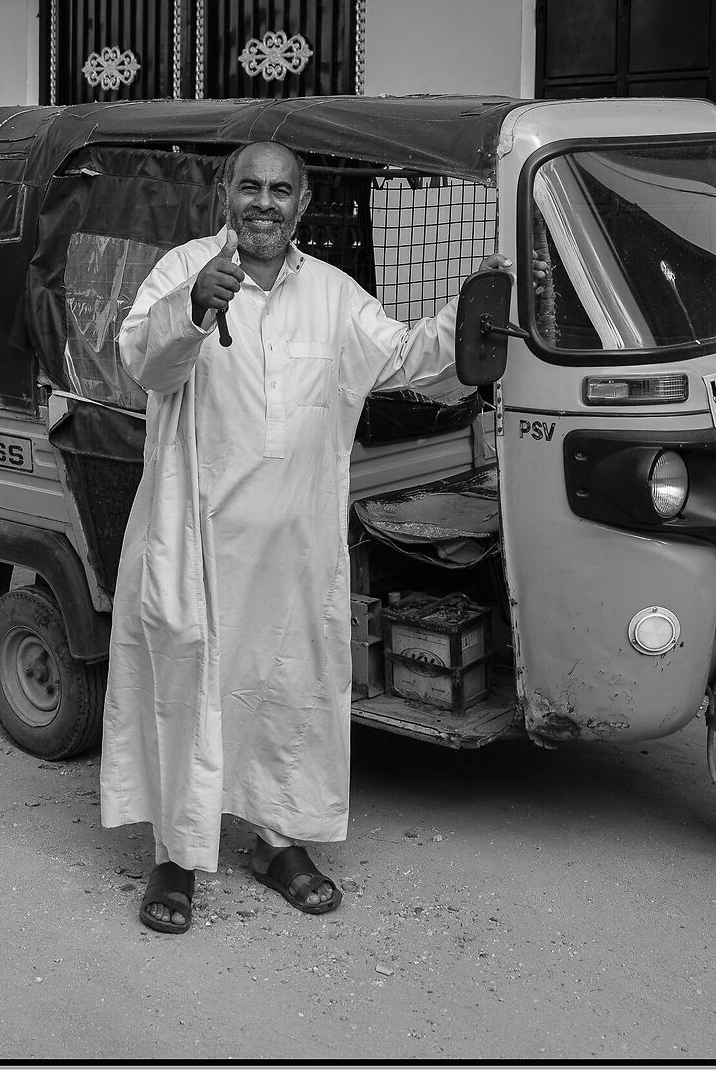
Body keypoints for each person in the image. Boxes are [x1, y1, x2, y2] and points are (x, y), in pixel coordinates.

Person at [100, 140, 491, 935]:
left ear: (303, 204)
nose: (264, 203)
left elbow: (408, 356)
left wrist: (476, 311)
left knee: (285, 688)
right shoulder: (185, 268)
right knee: (186, 689)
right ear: (226, 192)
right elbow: (143, 361)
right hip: (196, 543)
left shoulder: (334, 295)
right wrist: (193, 309)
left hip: (293, 549)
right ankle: (176, 854)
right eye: (250, 186)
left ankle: (278, 842)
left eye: (281, 190)